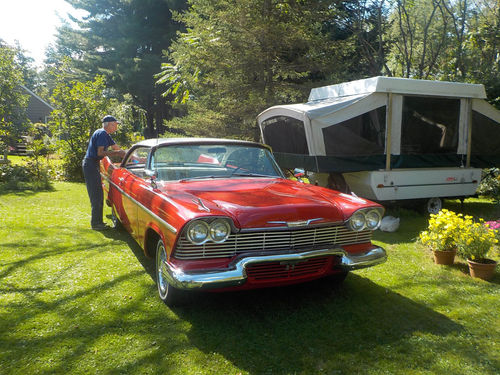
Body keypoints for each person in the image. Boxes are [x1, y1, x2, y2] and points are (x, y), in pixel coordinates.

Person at [82, 115, 126, 230]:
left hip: (93, 164)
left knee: (98, 193)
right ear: (110, 124)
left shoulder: (106, 135)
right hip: (90, 165)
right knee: (96, 194)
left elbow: (117, 148)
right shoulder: (101, 134)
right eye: (115, 124)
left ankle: (98, 222)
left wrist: (133, 157)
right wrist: (117, 154)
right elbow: (100, 153)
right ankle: (96, 224)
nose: (116, 126)